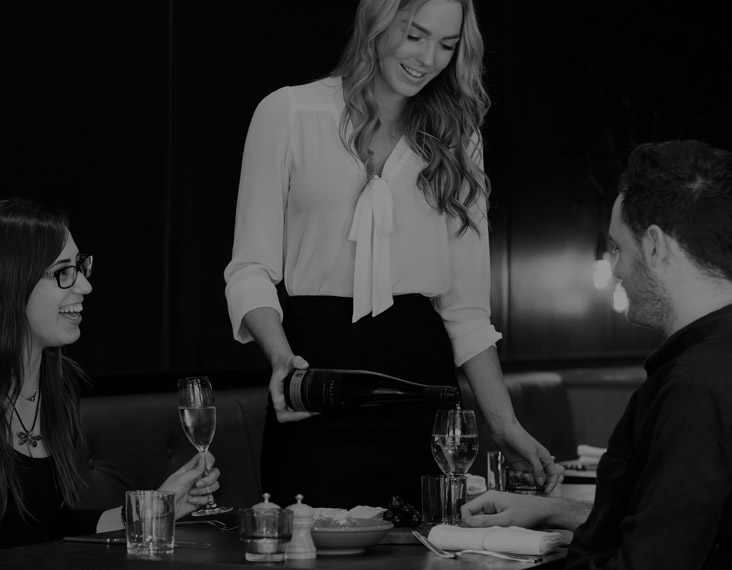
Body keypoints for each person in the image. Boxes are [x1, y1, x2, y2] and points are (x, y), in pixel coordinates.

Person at [224, 0, 561, 508]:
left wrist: (505, 425)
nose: (428, 59)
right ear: (378, 22)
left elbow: (467, 311)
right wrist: (281, 361)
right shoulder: (288, 113)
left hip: (422, 391)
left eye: (447, 45)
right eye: (415, 35)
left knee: (424, 543)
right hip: (316, 379)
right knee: (310, 539)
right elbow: (250, 268)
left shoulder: (457, 137)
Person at [461, 140, 732, 570]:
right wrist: (554, 510)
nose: (616, 269)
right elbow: (690, 525)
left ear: (654, 246)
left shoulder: (697, 390)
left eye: (618, 247)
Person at [0, 198, 221, 569]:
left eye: (80, 266)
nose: (84, 285)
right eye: (63, 272)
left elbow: (49, 529)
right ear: (8, 283)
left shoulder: (57, 386)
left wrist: (157, 508)